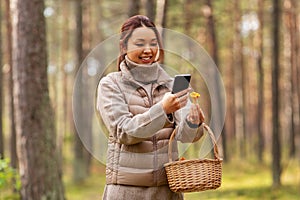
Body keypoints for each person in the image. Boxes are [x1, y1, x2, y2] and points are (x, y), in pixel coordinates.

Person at [96, 15, 205, 200]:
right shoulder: (111, 84)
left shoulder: (175, 85)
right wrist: (163, 110)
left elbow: (187, 137)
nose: (148, 50)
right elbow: (123, 131)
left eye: (153, 43)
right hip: (126, 192)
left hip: (167, 192)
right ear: (124, 46)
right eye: (140, 44)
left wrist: (193, 123)